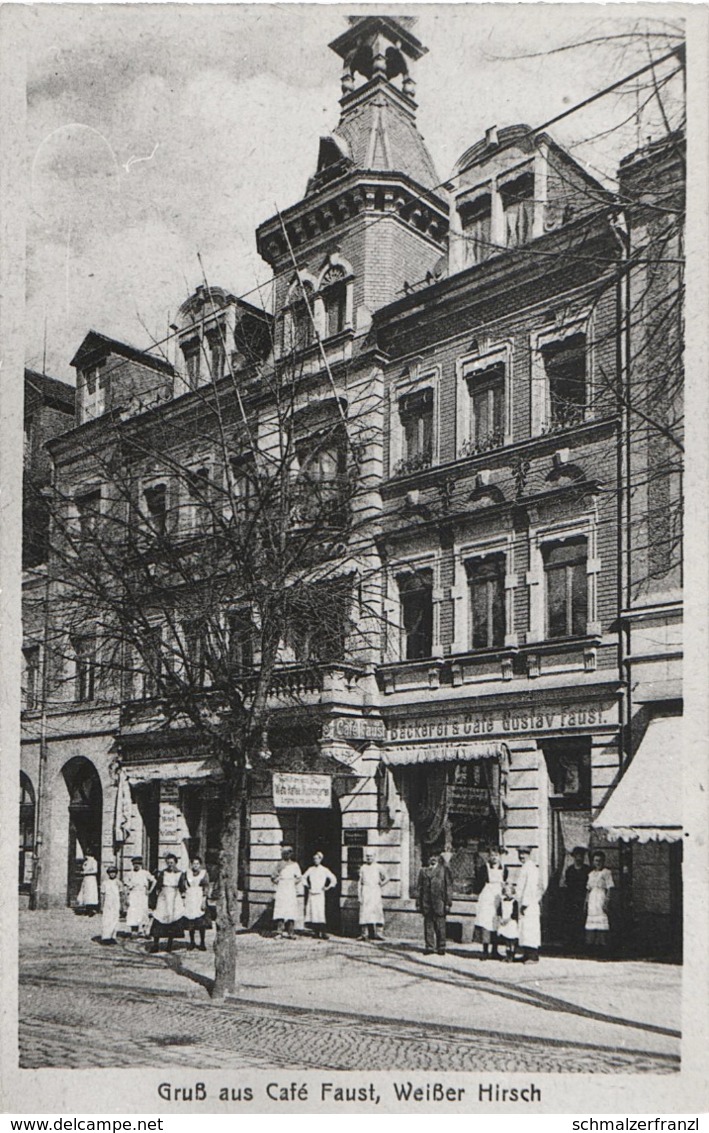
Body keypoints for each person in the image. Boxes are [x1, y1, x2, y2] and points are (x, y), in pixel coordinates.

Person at [416, 852, 453, 956]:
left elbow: (448, 887)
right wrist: (418, 903)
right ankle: (429, 947)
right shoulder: (423, 871)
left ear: (438, 858)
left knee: (440, 926)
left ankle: (441, 947)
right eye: (430, 857)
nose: (433, 859)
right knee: (428, 926)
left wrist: (448, 903)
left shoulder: (444, 870)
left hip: (439, 902)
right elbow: (419, 888)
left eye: (435, 857)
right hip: (427, 903)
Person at [149, 853, 186, 953]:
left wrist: (183, 897)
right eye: (168, 863)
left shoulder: (180, 874)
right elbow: (158, 885)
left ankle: (169, 944)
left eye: (172, 863)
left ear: (175, 863)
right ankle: (155, 944)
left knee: (173, 919)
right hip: (164, 896)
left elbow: (182, 887)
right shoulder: (162, 873)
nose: (170, 865)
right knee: (159, 917)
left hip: (174, 896)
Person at [474, 848, 506, 959]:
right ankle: (485, 951)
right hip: (487, 897)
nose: (494, 857)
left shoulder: (504, 869)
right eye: (492, 855)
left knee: (496, 923)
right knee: (486, 923)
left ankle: (495, 950)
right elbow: (478, 883)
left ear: (500, 856)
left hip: (498, 897)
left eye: (496, 855)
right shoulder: (484, 868)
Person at [302, 851, 337, 940]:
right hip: (312, 893)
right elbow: (303, 877)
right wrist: (307, 885)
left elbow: (333, 879)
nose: (315, 860)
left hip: (320, 894)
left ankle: (323, 932)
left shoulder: (324, 870)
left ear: (321, 859)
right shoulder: (311, 869)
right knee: (313, 913)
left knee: (320, 913)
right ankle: (316, 932)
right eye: (314, 859)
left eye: (317, 859)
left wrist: (327, 887)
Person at [585, 851, 614, 954]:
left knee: (602, 922)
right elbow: (588, 890)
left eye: (600, 861)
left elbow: (610, 888)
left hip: (601, 897)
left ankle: (602, 946)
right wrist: (586, 902)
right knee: (592, 923)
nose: (598, 863)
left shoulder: (606, 872)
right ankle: (592, 946)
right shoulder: (591, 874)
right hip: (593, 899)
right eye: (596, 860)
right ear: (593, 862)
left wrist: (606, 901)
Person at [563, 846, 590, 953]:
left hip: (583, 898)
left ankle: (581, 945)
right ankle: (571, 945)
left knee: (582, 921)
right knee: (571, 921)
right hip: (571, 899)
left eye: (581, 856)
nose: (579, 858)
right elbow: (567, 884)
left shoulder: (587, 870)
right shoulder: (569, 870)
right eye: (577, 856)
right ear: (573, 857)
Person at [271, 846, 303, 939]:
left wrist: (292, 882)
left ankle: (291, 932)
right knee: (280, 910)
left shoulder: (295, 865)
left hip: (290, 889)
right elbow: (273, 876)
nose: (286, 855)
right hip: (282, 888)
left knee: (291, 910)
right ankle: (279, 932)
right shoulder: (279, 864)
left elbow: (299, 877)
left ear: (291, 854)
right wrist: (278, 881)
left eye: (288, 853)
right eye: (284, 853)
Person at [516, 846, 541, 962]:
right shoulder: (525, 867)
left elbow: (530, 888)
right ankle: (526, 953)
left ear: (529, 854)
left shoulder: (531, 868)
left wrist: (525, 904)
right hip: (523, 903)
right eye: (520, 853)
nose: (521, 856)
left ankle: (533, 955)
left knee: (530, 929)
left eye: (524, 854)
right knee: (524, 929)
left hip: (529, 904)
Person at [357, 849, 387, 941]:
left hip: (375, 891)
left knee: (377, 911)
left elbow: (387, 878)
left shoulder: (378, 867)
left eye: (370, 856)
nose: (369, 858)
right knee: (365, 912)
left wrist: (381, 884)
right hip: (366, 891)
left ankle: (378, 933)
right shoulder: (363, 867)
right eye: (367, 856)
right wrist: (359, 895)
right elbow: (360, 882)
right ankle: (364, 934)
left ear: (374, 857)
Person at [183, 856, 211, 951]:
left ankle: (202, 942)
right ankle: (192, 942)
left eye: (197, 864)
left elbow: (206, 887)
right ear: (191, 864)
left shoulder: (203, 873)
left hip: (199, 897)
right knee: (191, 922)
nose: (195, 866)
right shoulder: (187, 873)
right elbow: (183, 884)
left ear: (200, 864)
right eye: (194, 864)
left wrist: (204, 900)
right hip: (190, 897)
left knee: (201, 922)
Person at [124, 855, 155, 936]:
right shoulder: (129, 874)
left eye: (138, 864)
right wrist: (126, 897)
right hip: (133, 894)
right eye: (135, 864)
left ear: (141, 864)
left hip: (142, 895)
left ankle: (144, 931)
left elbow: (154, 881)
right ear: (132, 864)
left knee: (143, 912)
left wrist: (150, 891)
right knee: (133, 912)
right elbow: (126, 886)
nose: (136, 865)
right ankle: (134, 931)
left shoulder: (145, 873)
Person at [99, 864, 123, 944]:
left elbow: (121, 894)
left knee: (115, 919)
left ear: (116, 873)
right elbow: (102, 894)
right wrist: (102, 906)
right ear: (108, 874)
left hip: (116, 902)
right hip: (108, 902)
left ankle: (113, 936)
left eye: (114, 872)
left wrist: (122, 905)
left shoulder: (118, 883)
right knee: (107, 919)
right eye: (110, 873)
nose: (112, 874)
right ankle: (106, 937)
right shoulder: (105, 883)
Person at [497, 881, 519, 962]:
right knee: (506, 940)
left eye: (509, 891)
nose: (507, 893)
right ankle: (507, 955)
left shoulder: (514, 902)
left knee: (512, 940)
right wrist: (500, 919)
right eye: (506, 891)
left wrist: (507, 920)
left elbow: (514, 914)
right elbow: (499, 911)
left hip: (511, 923)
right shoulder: (502, 901)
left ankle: (512, 956)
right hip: (504, 922)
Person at [76, 851, 99, 916]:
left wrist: (86, 872)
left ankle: (91, 910)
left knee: (91, 894)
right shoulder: (86, 862)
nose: (86, 857)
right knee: (85, 893)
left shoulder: (94, 861)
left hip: (91, 879)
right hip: (86, 879)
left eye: (88, 855)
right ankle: (87, 908)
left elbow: (95, 870)